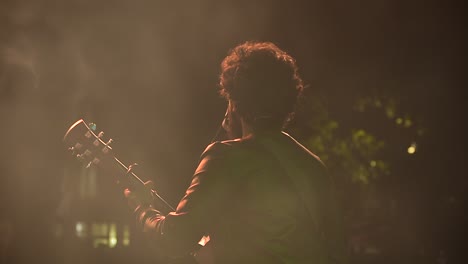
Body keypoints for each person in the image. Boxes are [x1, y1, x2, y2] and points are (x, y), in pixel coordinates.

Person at [124, 41, 347, 264]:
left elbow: (175, 239)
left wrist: (142, 208)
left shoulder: (227, 157)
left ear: (236, 104)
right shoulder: (314, 166)